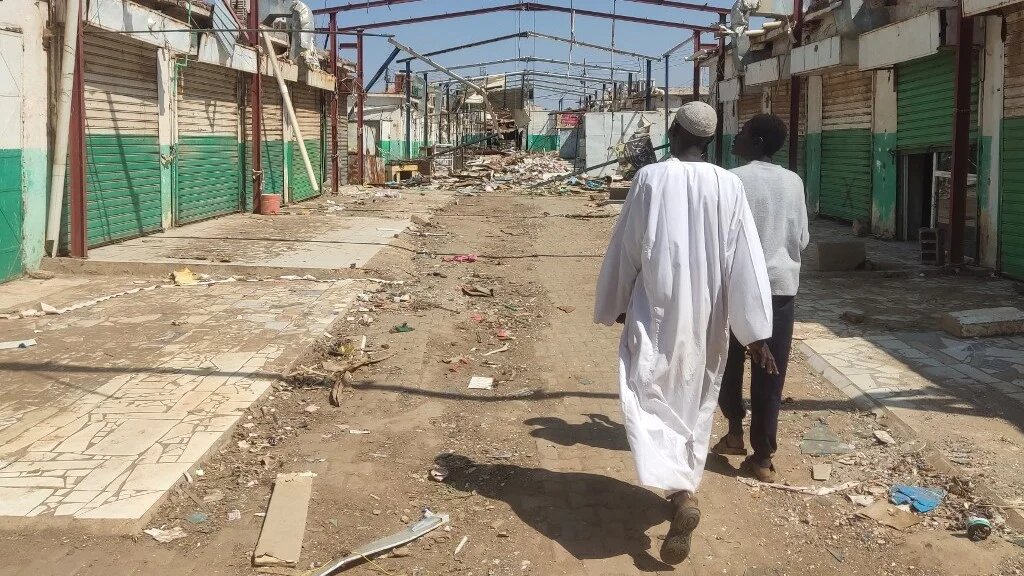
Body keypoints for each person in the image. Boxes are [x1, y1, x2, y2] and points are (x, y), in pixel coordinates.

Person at [594, 101, 778, 565]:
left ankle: (679, 494)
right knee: (694, 402)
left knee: (646, 396)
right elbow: (745, 260)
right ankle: (683, 490)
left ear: (674, 133)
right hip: (708, 320)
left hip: (655, 312)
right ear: (710, 141)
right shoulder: (728, 185)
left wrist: (615, 304)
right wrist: (755, 333)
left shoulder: (652, 178)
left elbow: (629, 246)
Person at [712, 114, 810, 483]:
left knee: (730, 361)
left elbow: (720, 236)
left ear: (756, 142)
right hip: (781, 289)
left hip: (738, 286)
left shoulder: (732, 180)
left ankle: (734, 432)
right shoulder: (794, 182)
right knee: (771, 373)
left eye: (742, 132)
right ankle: (763, 457)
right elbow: (801, 238)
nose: (735, 137)